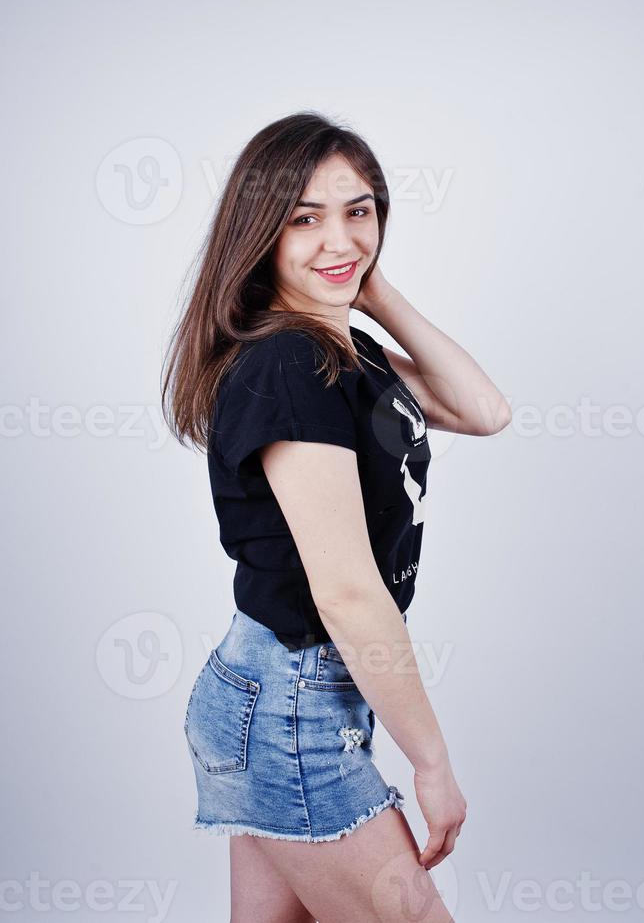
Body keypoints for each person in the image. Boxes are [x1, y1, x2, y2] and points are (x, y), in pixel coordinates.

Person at [161, 111, 511, 923]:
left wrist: (373, 287)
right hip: (292, 696)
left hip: (277, 691)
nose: (338, 237)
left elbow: (484, 409)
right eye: (305, 218)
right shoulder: (289, 364)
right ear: (260, 234)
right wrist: (431, 762)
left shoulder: (340, 346)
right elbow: (349, 593)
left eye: (358, 210)